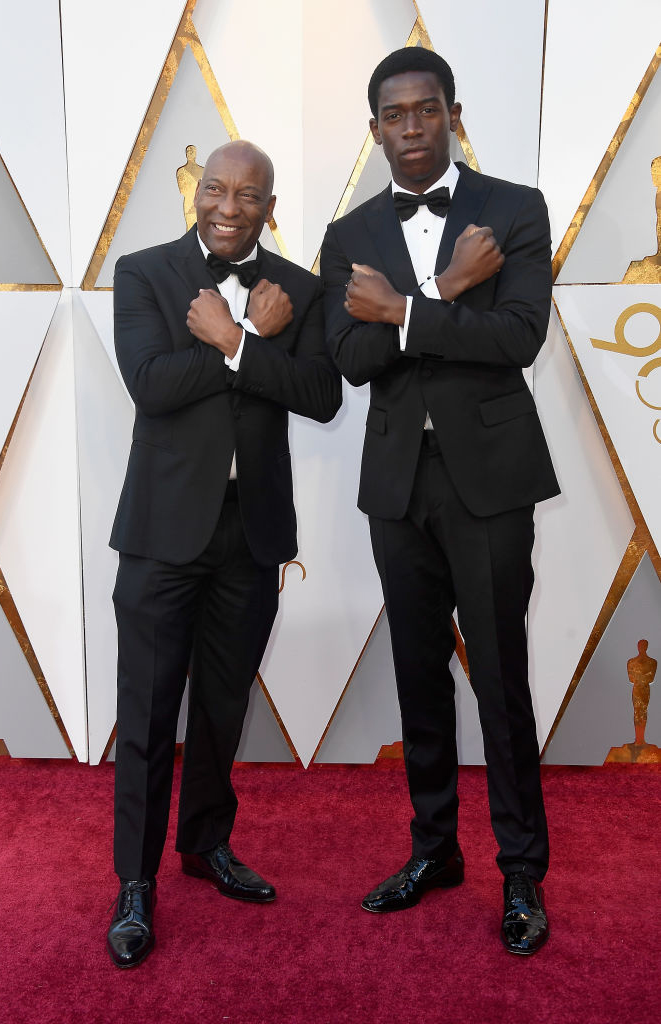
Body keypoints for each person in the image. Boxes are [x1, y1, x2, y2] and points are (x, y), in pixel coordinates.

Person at [320, 47, 559, 955]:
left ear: (452, 114)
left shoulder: (513, 209)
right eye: (394, 114)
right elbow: (349, 360)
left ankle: (522, 875)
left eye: (427, 110)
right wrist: (446, 294)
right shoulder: (348, 236)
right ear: (373, 127)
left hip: (491, 481)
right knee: (417, 675)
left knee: (498, 676)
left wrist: (407, 313)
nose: (411, 128)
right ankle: (434, 851)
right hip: (396, 483)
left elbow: (518, 338)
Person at [107, 139, 342, 968]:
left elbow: (319, 397)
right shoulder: (143, 272)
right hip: (163, 533)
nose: (228, 206)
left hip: (252, 531)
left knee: (220, 705)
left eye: (248, 195)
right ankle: (133, 883)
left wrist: (235, 340)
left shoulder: (299, 291)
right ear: (195, 194)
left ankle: (205, 844)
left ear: (269, 208)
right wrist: (243, 338)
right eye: (215, 188)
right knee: (144, 715)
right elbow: (150, 382)